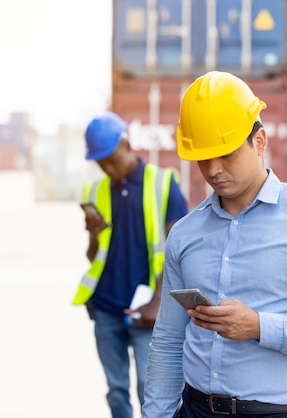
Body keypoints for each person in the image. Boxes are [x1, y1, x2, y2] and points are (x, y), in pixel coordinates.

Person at [142, 71, 287, 418]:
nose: (214, 169)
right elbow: (169, 340)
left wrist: (259, 326)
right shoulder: (185, 234)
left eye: (226, 154)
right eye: (203, 157)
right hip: (194, 410)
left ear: (259, 141)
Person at [72, 111, 189, 418]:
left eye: (111, 159)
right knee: (116, 390)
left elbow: (180, 253)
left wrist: (158, 302)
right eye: (100, 163)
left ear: (126, 143)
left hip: (147, 310)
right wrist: (94, 235)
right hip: (107, 307)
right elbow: (93, 256)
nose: (107, 168)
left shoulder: (163, 184)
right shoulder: (95, 192)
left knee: (152, 391)